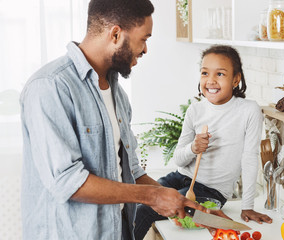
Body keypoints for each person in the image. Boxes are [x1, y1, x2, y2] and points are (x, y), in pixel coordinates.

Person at [19, 0, 209, 239]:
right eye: (144, 39)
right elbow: (68, 182)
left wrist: (181, 204)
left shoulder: (117, 93)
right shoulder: (50, 87)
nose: (145, 49)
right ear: (116, 34)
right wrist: (153, 197)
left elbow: (130, 169)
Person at [134, 45, 272, 238]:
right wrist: (193, 148)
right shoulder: (195, 110)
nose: (211, 81)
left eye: (220, 74)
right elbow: (179, 160)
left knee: (144, 211)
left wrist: (247, 206)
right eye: (205, 73)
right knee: (140, 203)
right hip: (179, 177)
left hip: (212, 192)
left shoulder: (248, 110)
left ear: (236, 79)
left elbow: (250, 158)